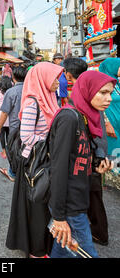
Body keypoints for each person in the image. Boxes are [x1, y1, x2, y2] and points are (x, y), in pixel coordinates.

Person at [49, 71, 115, 258]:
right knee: (87, 253)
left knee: (63, 250)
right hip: (70, 204)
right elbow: (59, 168)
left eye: (110, 93)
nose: (108, 98)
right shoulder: (69, 118)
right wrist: (59, 216)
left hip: (79, 198)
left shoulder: (85, 116)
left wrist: (95, 165)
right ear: (87, 90)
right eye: (102, 92)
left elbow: (77, 156)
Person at [6, 61, 63, 258]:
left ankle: (42, 245)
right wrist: (51, 140)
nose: (58, 81)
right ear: (43, 79)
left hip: (45, 159)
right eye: (55, 77)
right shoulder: (33, 102)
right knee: (36, 207)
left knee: (42, 205)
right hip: (33, 162)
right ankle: (36, 250)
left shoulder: (51, 98)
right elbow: (26, 136)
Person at [64, 56, 109, 246]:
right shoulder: (90, 89)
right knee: (92, 194)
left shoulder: (84, 94)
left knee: (92, 195)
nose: (107, 97)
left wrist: (99, 156)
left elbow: (98, 130)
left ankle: (98, 232)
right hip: (93, 155)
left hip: (89, 157)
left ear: (67, 75)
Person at [0, 66, 27, 181]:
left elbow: (4, 113)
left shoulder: (11, 92)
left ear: (13, 77)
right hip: (28, 126)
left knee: (12, 150)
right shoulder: (30, 89)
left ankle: (12, 173)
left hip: (14, 127)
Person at [98, 58, 120, 155]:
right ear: (112, 67)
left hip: (117, 121)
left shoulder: (115, 83)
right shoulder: (101, 85)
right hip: (111, 123)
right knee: (115, 150)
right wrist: (106, 123)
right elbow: (97, 105)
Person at [0, 76, 13, 159]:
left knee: (2, 134)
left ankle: (4, 151)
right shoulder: (11, 92)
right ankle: (9, 150)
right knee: (8, 133)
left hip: (0, 114)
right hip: (9, 113)